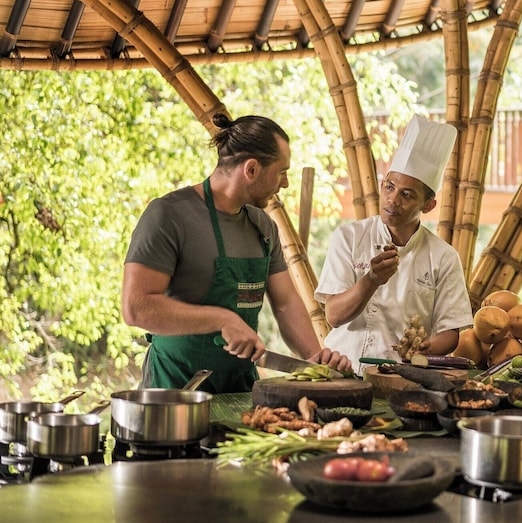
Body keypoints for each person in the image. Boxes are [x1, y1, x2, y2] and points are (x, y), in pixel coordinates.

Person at [122, 113, 351, 393]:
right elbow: (137, 307)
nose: (286, 184)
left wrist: (315, 359)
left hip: (240, 391)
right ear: (251, 169)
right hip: (175, 391)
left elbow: (286, 303)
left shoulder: (263, 225)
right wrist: (223, 319)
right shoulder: (169, 215)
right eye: (281, 172)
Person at [315, 115, 474, 372]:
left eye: (406, 195)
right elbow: (334, 315)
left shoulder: (443, 257)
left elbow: (450, 331)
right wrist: (371, 280)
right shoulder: (349, 237)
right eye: (389, 187)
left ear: (428, 205)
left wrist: (425, 350)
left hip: (402, 375)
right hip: (342, 369)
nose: (392, 200)